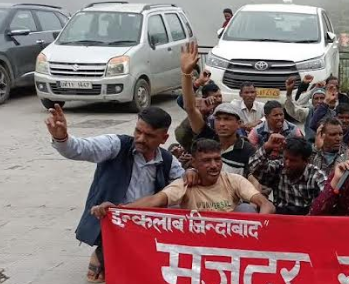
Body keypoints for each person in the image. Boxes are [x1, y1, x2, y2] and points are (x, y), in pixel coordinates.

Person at [47, 104, 184, 282]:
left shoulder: (167, 160)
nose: (140, 138)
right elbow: (80, 148)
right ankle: (102, 250)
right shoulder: (115, 145)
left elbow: (183, 184)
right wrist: (62, 137)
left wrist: (192, 173)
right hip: (111, 218)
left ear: (164, 138)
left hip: (146, 222)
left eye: (149, 135)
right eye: (138, 131)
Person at [92, 139, 274, 216]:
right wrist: (118, 209)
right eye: (206, 161)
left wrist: (257, 228)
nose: (214, 165)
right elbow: (156, 200)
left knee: (246, 210)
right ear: (194, 163)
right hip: (197, 242)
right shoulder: (185, 183)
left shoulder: (233, 180)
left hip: (233, 241)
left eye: (217, 159)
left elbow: (266, 205)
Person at [180, 47, 256, 178]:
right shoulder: (206, 137)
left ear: (239, 124)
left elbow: (252, 183)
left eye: (227, 119)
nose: (221, 123)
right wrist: (186, 74)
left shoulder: (247, 150)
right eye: (218, 119)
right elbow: (190, 108)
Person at [249, 136, 327, 215]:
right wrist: (267, 147)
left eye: (293, 160)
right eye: (285, 158)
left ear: (306, 161)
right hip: (279, 218)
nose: (287, 163)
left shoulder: (316, 176)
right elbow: (254, 168)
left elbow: (326, 199)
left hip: (306, 220)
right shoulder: (279, 167)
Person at [175, 81, 222, 151]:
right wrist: (196, 84)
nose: (218, 99)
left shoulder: (225, 110)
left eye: (220, 96)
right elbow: (182, 100)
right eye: (214, 97)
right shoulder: (197, 111)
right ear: (204, 98)